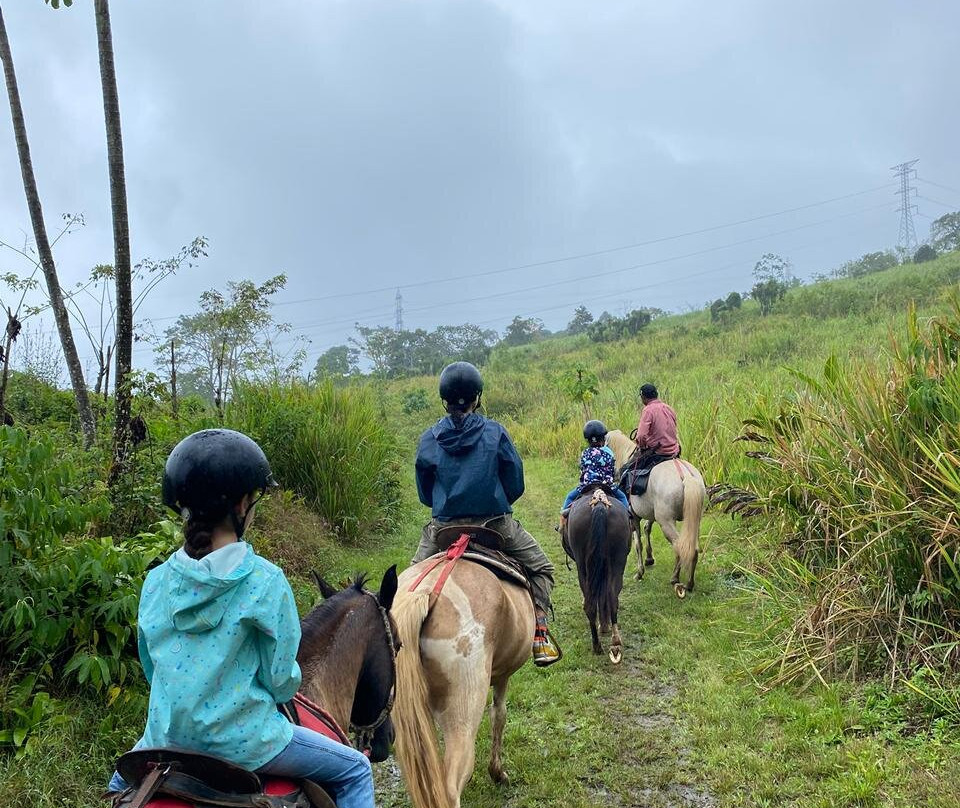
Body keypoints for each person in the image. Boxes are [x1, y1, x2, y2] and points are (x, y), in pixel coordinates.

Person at [107, 429, 374, 808]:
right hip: (249, 744)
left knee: (118, 789)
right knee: (355, 771)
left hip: (165, 738)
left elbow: (154, 671)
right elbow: (280, 683)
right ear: (243, 504)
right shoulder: (265, 581)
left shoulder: (156, 582)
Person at [413, 361, 561, 667]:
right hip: (495, 525)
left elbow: (425, 495)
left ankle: (396, 642)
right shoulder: (495, 432)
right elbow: (515, 484)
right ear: (477, 397)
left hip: (443, 529)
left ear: (445, 399)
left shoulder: (429, 438)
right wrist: (495, 499)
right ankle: (540, 633)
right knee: (542, 568)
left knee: (408, 583)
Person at [559, 420, 631, 532]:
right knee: (622, 497)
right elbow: (612, 471)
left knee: (569, 497)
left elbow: (582, 469)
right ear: (603, 439)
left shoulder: (585, 453)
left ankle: (562, 522)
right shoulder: (609, 453)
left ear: (588, 440)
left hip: (587, 486)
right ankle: (629, 519)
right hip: (607, 485)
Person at [632, 383, 680, 473]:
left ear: (643, 397)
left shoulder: (648, 410)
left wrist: (642, 446)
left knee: (627, 470)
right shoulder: (668, 408)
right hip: (674, 451)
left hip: (658, 452)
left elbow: (641, 436)